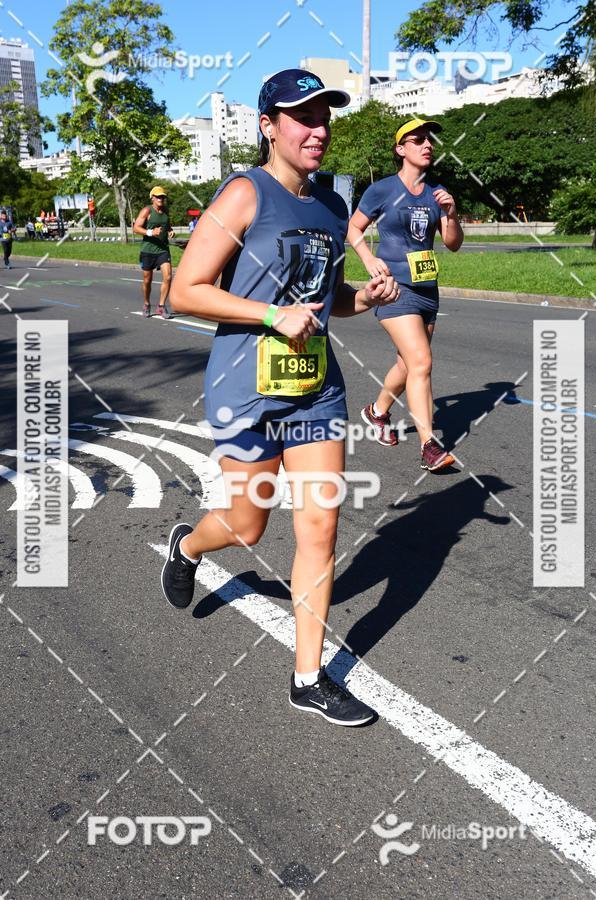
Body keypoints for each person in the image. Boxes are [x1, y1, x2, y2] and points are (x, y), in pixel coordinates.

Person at [164, 68, 399, 727]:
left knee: (320, 525)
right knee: (246, 526)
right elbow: (186, 289)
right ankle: (188, 547)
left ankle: (307, 678)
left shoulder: (329, 204)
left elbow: (323, 302)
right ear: (269, 126)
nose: (317, 128)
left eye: (325, 117)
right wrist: (270, 317)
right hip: (247, 389)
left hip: (315, 392)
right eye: (303, 116)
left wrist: (363, 300)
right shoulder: (245, 193)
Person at [348, 116, 464, 471]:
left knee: (408, 362)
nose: (427, 145)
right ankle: (430, 445)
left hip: (428, 290)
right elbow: (353, 228)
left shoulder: (436, 192)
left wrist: (452, 213)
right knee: (422, 362)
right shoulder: (382, 189)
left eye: (429, 140)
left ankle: (377, 412)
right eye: (418, 140)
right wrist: (369, 258)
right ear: (401, 149)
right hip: (394, 289)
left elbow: (453, 244)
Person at [133, 186, 175, 318]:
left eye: (162, 196)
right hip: (148, 250)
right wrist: (151, 232)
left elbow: (167, 227)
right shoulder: (147, 210)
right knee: (147, 280)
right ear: (152, 198)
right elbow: (136, 228)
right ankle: (146, 304)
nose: (161, 199)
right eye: (158, 197)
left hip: (163, 249)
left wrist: (170, 231)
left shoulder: (166, 211)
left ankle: (161, 307)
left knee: (168, 277)